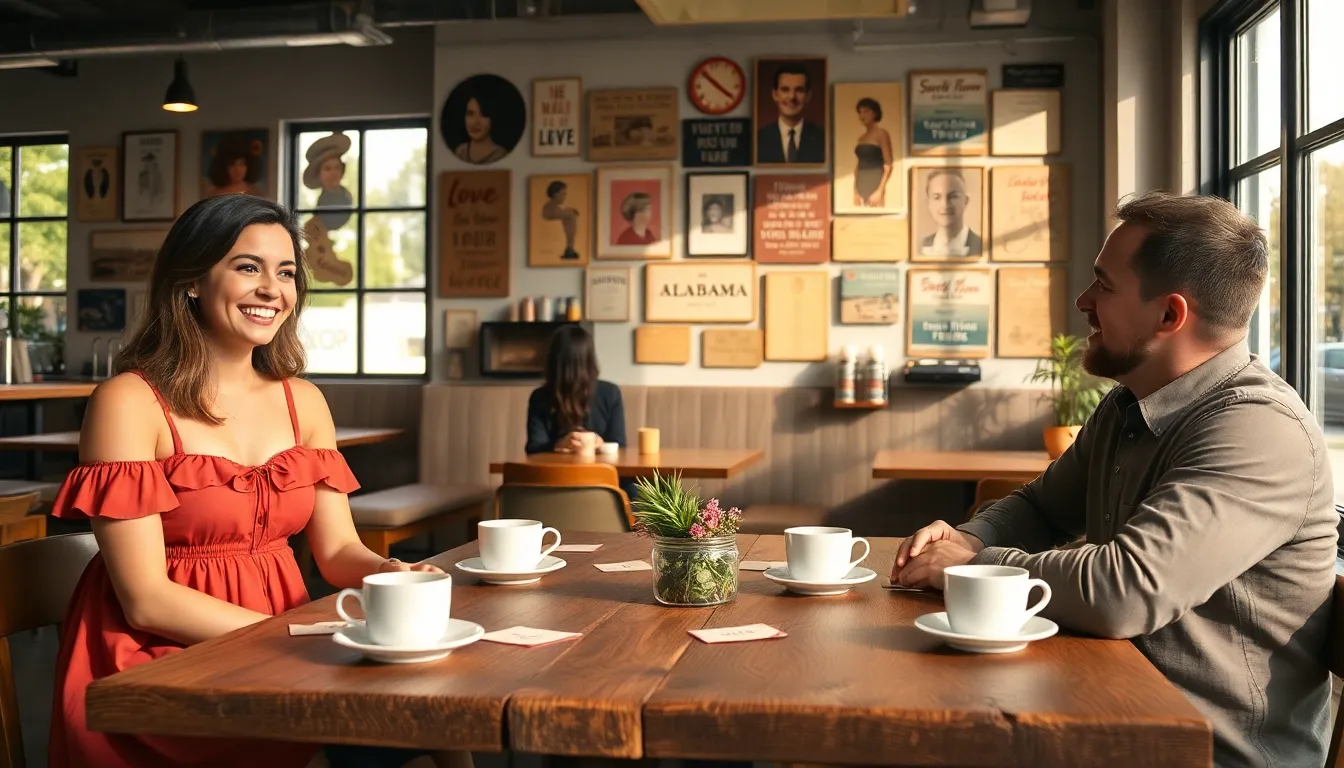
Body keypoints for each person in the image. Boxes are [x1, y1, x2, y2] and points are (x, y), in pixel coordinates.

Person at [891, 191, 1338, 768]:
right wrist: (970, 538)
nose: (1083, 300)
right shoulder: (1131, 402)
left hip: (1208, 754)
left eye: (1103, 285)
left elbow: (1125, 589)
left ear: (1170, 315)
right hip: (1109, 715)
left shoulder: (1258, 430)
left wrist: (972, 569)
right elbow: (1043, 507)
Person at [48, 194, 459, 768]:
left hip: (281, 652)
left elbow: (338, 550)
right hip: (159, 666)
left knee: (440, 715)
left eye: (286, 272)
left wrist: (391, 573)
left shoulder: (305, 402)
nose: (273, 289)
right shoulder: (129, 402)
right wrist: (303, 639)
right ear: (192, 280)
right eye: (248, 267)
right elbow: (145, 600)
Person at [526, 325, 626, 456]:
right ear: (590, 360)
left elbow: (620, 447)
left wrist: (599, 443)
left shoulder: (611, 394)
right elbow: (534, 448)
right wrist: (560, 444)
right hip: (596, 476)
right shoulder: (539, 397)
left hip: (558, 475)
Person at [755, 62, 824, 164]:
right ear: (775, 95)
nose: (792, 97)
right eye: (785, 90)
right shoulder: (758, 139)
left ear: (808, 96)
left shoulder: (822, 139)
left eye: (799, 90)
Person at [918, 168, 981, 257]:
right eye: (937, 197)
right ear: (928, 203)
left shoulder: (981, 246)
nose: (945, 205)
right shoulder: (921, 246)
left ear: (965, 201)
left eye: (953, 196)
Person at [851, 97, 893, 207]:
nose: (862, 115)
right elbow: (857, 166)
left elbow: (888, 164)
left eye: (866, 111)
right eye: (860, 112)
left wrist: (880, 191)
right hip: (861, 183)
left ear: (875, 113)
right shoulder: (861, 138)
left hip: (875, 181)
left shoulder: (881, 134)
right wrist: (855, 191)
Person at [204, 132, 264, 197]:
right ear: (223, 166)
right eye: (232, 164)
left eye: (242, 164)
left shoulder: (255, 192)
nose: (237, 170)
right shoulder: (213, 193)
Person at [455, 94, 507, 165]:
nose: (475, 122)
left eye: (483, 115)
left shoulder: (500, 155)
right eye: (470, 114)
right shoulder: (461, 152)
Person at [541, 180, 581, 260]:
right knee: (571, 215)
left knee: (571, 215)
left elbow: (563, 211)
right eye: (564, 193)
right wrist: (571, 212)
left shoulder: (557, 207)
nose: (565, 196)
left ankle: (570, 247)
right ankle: (570, 247)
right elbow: (556, 213)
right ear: (556, 194)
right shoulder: (550, 208)